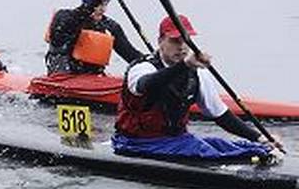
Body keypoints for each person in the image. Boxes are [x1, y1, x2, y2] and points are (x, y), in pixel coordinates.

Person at [113, 15, 284, 161]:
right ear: (160, 42)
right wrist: (185, 65)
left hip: (177, 141)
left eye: (185, 40)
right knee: (209, 151)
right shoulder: (142, 68)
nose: (181, 47)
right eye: (174, 41)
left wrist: (260, 138)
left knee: (225, 145)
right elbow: (147, 85)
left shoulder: (197, 73)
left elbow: (220, 115)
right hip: (136, 144)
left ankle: (263, 150)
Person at [45, 0, 145, 74]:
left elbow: (131, 55)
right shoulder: (65, 18)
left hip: (94, 81)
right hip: (62, 79)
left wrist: (153, 62)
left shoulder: (109, 26)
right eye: (99, 4)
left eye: (106, 4)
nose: (103, 9)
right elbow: (80, 14)